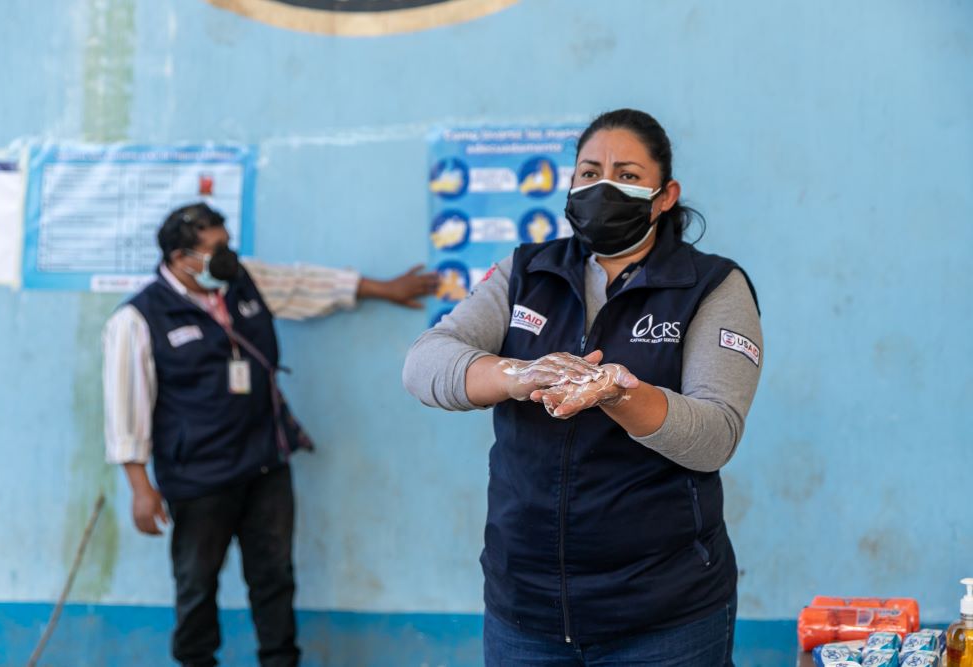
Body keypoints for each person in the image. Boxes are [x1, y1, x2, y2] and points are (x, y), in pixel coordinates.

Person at [403, 109, 763, 666]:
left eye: (627, 174)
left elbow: (716, 435)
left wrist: (621, 395)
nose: (603, 187)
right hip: (524, 610)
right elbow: (425, 363)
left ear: (665, 195)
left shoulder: (712, 286)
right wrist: (517, 375)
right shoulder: (526, 272)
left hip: (665, 616)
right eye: (589, 172)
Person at [102, 202, 437, 667]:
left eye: (227, 244)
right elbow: (125, 408)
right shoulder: (137, 320)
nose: (227, 257)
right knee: (197, 586)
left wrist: (385, 289)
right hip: (197, 479)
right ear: (181, 258)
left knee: (274, 578)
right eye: (214, 250)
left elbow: (306, 285)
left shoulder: (242, 278)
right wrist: (141, 489)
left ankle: (280, 661)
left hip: (265, 463)